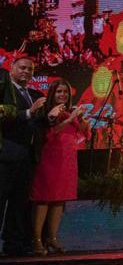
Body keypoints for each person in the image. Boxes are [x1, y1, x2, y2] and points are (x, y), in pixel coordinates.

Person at [30, 79, 89, 255]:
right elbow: (51, 132)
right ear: (52, 94)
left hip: (67, 159)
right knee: (44, 198)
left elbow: (84, 132)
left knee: (59, 199)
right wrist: (70, 118)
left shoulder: (69, 111)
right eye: (58, 92)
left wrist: (81, 118)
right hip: (50, 159)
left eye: (65, 92)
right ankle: (37, 240)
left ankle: (52, 238)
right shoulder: (48, 111)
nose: (62, 95)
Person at [0, 55, 46, 257]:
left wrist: (49, 116)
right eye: (22, 67)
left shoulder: (33, 93)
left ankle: (13, 244)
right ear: (12, 68)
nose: (26, 71)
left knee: (20, 204)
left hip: (28, 157)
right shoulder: (4, 91)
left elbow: (37, 123)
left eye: (30, 69)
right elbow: (6, 118)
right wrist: (29, 112)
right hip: (6, 154)